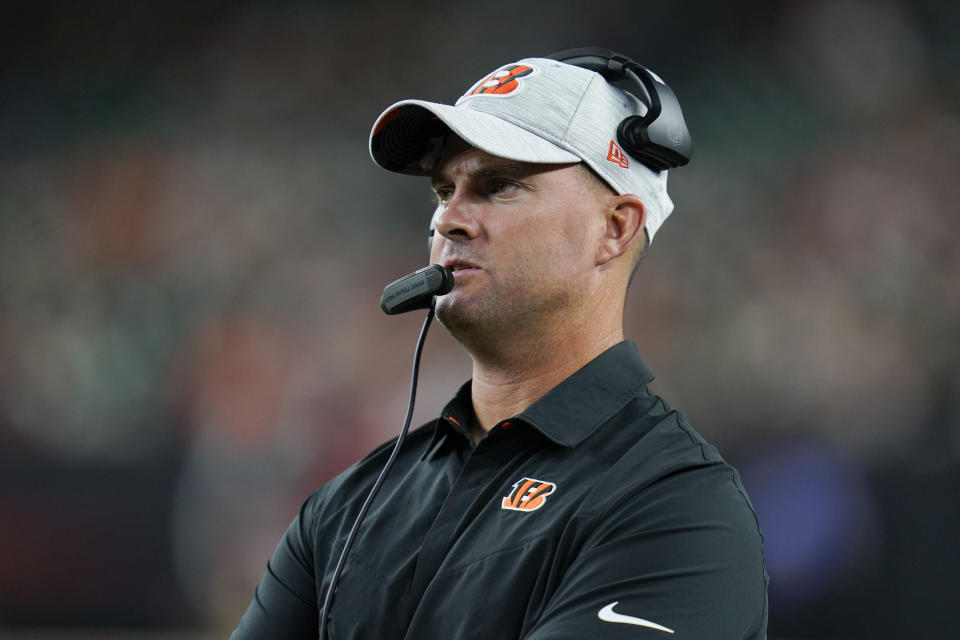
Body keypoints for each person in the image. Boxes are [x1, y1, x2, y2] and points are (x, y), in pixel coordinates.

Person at [231, 51, 768, 639]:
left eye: (499, 186)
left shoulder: (677, 508)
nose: (448, 220)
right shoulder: (345, 507)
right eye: (443, 190)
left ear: (615, 227)